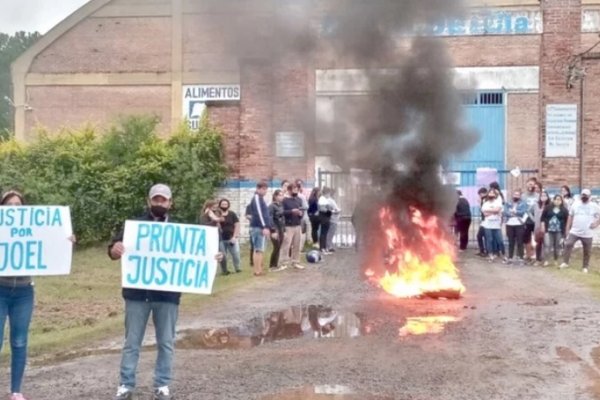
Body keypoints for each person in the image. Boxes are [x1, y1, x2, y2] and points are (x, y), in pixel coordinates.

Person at [108, 184, 187, 400]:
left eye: (163, 200)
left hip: (168, 296)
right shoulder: (133, 227)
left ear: (170, 203)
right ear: (149, 201)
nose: (159, 203)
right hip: (137, 295)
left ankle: (162, 385)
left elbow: (196, 256)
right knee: (132, 342)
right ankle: (125, 385)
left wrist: (212, 257)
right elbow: (113, 249)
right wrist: (115, 249)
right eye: (156, 199)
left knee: (166, 342)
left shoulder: (180, 232)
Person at [0, 191, 76, 400]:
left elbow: (50, 244)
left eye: (18, 204)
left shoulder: (33, 229)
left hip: (24, 292)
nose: (14, 208)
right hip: (0, 290)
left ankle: (16, 391)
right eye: (9, 205)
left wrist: (65, 241)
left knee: (19, 341)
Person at [560, 189, 600, 273]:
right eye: (583, 195)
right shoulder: (575, 204)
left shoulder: (594, 206)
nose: (584, 197)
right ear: (580, 195)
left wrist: (596, 224)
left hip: (587, 232)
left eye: (586, 195)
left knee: (587, 250)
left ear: (590, 196)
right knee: (568, 244)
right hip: (575, 231)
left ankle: (585, 267)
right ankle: (565, 262)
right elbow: (570, 217)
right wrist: (567, 229)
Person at [248, 181, 273, 276]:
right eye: (263, 189)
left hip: (260, 226)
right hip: (258, 227)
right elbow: (259, 213)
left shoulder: (261, 198)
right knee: (258, 249)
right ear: (258, 189)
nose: (265, 191)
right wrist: (265, 226)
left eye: (266, 189)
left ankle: (259, 269)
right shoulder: (257, 198)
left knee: (259, 249)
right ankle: (257, 270)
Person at [280, 183, 306, 270]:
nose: (296, 191)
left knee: (297, 244)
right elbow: (282, 212)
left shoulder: (299, 200)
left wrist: (300, 214)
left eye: (297, 189)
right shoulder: (285, 200)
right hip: (288, 225)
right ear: (289, 190)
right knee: (286, 244)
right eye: (294, 189)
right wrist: (291, 211)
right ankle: (283, 262)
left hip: (297, 224)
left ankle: (295, 261)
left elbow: (301, 210)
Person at [541, 194, 569, 266]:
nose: (557, 201)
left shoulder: (564, 210)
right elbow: (542, 218)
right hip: (549, 230)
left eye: (559, 199)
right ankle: (546, 260)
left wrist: (566, 231)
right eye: (556, 199)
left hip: (559, 231)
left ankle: (555, 260)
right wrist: (543, 226)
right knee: (547, 245)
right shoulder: (548, 208)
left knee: (557, 246)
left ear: (561, 201)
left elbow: (567, 221)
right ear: (553, 200)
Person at [503, 189, 527, 263]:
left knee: (520, 241)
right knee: (511, 241)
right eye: (515, 194)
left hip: (519, 224)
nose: (516, 196)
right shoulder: (508, 203)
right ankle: (510, 257)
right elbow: (505, 212)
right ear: (512, 195)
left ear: (520, 196)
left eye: (518, 195)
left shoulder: (523, 203)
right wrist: (512, 214)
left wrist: (515, 212)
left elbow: (523, 212)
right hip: (509, 224)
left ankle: (521, 257)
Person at [217, 198, 241, 275]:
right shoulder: (217, 215)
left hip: (231, 238)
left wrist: (235, 236)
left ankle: (237, 268)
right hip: (220, 239)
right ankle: (224, 271)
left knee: (236, 254)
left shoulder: (232, 214)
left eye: (226, 204)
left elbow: (237, 225)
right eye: (223, 204)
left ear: (228, 205)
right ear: (220, 205)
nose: (224, 206)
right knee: (223, 256)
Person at [481, 188, 504, 262]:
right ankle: (490, 254)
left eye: (493, 193)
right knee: (489, 240)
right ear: (488, 194)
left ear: (495, 195)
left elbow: (498, 210)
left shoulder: (498, 202)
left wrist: (490, 211)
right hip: (488, 225)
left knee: (500, 240)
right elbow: (484, 213)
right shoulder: (485, 203)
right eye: (490, 193)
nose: (491, 194)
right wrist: (494, 212)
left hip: (497, 224)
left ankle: (503, 254)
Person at [530, 190, 550, 266]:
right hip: (537, 226)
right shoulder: (536, 205)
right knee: (538, 244)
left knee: (547, 243)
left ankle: (546, 260)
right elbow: (529, 211)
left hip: (546, 227)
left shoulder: (550, 206)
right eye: (542, 195)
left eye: (545, 195)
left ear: (547, 197)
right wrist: (534, 219)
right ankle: (538, 259)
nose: (543, 197)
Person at [268, 190, 287, 272]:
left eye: (282, 195)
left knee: (279, 247)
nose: (281, 197)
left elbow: (283, 218)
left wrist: (284, 229)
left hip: (281, 228)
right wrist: (273, 230)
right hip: (275, 228)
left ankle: (276, 265)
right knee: (276, 247)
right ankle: (272, 266)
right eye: (279, 195)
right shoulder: (271, 206)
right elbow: (269, 218)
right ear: (275, 196)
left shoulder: (281, 205)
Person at [522, 177, 539, 262]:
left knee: (536, 238)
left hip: (536, 221)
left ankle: (535, 254)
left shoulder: (538, 196)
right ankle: (528, 254)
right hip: (526, 220)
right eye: (529, 184)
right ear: (526, 185)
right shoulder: (523, 196)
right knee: (526, 238)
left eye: (532, 184)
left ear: (535, 186)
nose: (530, 186)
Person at [318, 187, 337, 255]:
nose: (329, 195)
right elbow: (323, 209)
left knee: (325, 233)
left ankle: (324, 248)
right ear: (327, 193)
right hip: (324, 218)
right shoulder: (322, 199)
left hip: (326, 218)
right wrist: (331, 211)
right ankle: (322, 248)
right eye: (329, 193)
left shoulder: (324, 199)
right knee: (323, 233)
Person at [475, 187, 488, 257]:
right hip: (484, 221)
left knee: (481, 236)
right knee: (481, 236)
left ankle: (484, 251)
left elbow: (483, 210)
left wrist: (480, 203)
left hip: (486, 221)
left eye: (480, 194)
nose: (480, 196)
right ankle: (482, 250)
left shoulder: (486, 200)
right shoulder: (483, 199)